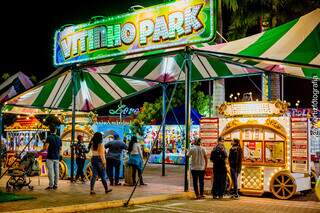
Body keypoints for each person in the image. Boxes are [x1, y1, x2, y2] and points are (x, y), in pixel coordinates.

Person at [43, 125, 62, 190]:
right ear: (55, 130)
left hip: (50, 157)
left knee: (50, 171)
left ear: (50, 130)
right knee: (57, 171)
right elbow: (60, 148)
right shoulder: (59, 138)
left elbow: (45, 148)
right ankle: (56, 185)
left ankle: (51, 185)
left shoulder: (49, 137)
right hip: (57, 157)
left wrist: (44, 144)